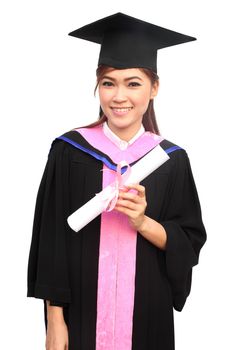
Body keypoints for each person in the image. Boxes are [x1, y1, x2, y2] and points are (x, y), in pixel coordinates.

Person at [27, 12, 207, 350]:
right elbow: (51, 237)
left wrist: (141, 221)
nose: (118, 96)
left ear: (154, 88)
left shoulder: (170, 159)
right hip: (81, 314)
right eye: (108, 83)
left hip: (146, 317)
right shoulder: (69, 151)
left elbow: (189, 240)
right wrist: (55, 321)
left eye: (133, 83)